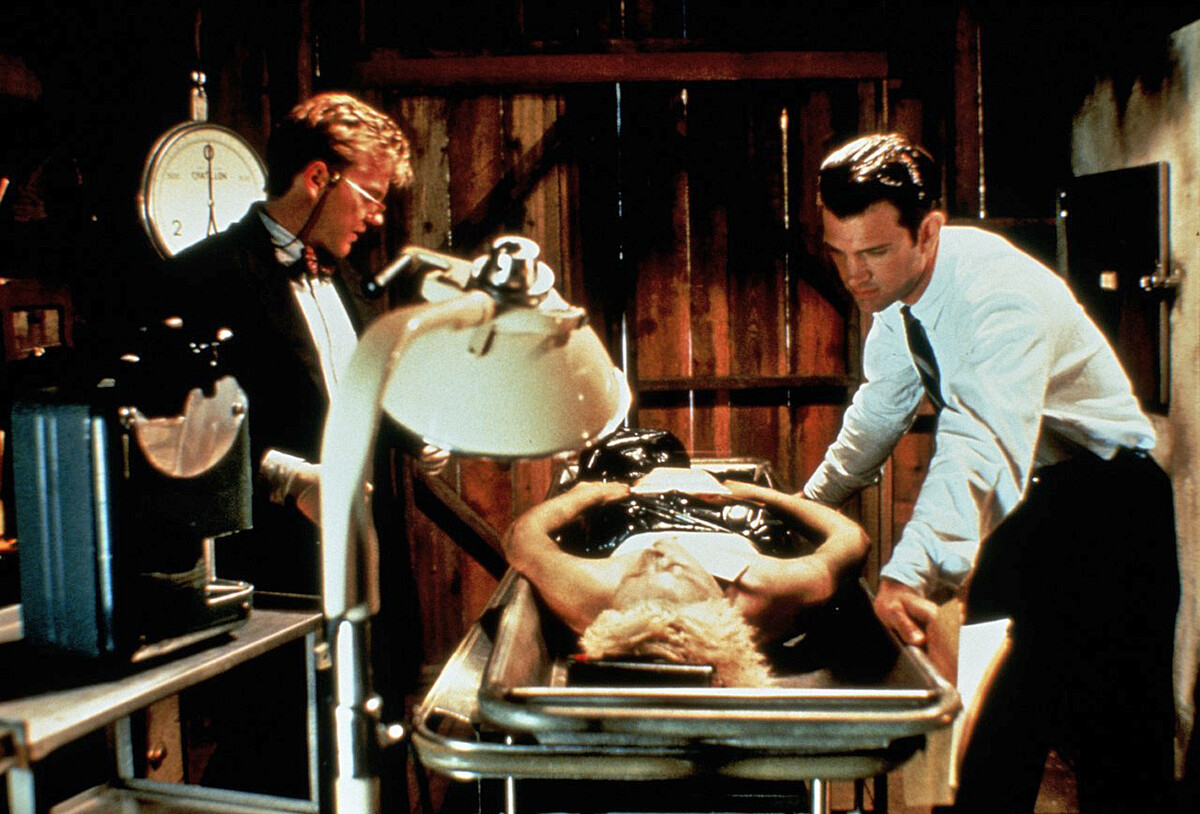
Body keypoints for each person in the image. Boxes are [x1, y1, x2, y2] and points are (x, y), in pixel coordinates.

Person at [801, 133, 1179, 811]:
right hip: (1034, 506)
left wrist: (910, 573)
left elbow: (980, 442)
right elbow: (880, 410)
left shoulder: (998, 296)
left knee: (1120, 758)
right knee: (994, 745)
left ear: (928, 231)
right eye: (840, 253)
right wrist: (810, 505)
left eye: (874, 252)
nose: (855, 275)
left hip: (1109, 507)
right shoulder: (898, 299)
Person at [157, 91, 445, 597]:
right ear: (317, 178)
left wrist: (419, 432)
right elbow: (173, 429)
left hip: (365, 560)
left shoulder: (348, 278)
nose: (377, 216)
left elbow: (353, 393)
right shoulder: (201, 276)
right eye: (370, 196)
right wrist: (286, 478)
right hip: (274, 566)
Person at [502, 458, 870, 687]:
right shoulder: (768, 589)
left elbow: (522, 538)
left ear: (618, 600)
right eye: (676, 568)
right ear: (719, 598)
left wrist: (587, 494)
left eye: (638, 571)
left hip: (630, 522)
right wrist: (764, 497)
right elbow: (852, 539)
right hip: (732, 524)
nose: (662, 551)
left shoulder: (593, 593)